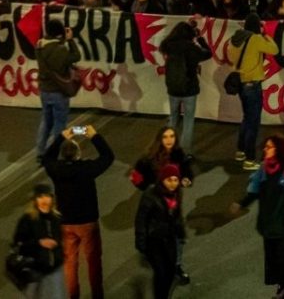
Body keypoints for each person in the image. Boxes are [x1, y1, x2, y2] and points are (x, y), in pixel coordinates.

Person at [40, 125, 114, 299]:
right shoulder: (87, 169)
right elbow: (108, 157)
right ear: (78, 154)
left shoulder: (56, 169)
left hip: (66, 223)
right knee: (93, 262)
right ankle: (97, 295)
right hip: (88, 222)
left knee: (70, 264)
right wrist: (95, 136)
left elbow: (46, 158)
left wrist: (60, 137)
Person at [230, 134, 284, 299]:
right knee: (271, 258)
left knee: (283, 255)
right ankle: (281, 285)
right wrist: (242, 204)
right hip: (267, 223)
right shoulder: (263, 169)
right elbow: (254, 190)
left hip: (283, 223)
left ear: (279, 149)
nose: (265, 149)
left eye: (269, 147)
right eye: (266, 147)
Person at [130, 127, 195, 285]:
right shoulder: (149, 158)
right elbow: (136, 177)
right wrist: (149, 188)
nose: (169, 140)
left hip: (174, 202)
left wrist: (186, 179)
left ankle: (176, 266)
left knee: (178, 234)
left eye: (172, 136)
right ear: (159, 139)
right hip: (155, 203)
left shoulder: (179, 155)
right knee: (158, 233)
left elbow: (187, 172)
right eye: (165, 137)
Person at [228, 12, 279, 171]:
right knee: (253, 123)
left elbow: (231, 57)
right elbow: (274, 49)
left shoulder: (234, 39)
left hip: (241, 84)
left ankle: (240, 151)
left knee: (246, 118)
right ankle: (250, 159)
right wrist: (264, 34)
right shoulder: (255, 39)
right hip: (253, 84)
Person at [135, 163, 185, 299]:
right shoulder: (151, 194)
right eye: (169, 180)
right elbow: (141, 218)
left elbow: (177, 215)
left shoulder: (176, 194)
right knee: (161, 272)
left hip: (169, 238)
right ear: (162, 180)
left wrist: (181, 232)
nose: (173, 184)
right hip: (154, 240)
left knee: (170, 271)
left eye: (175, 180)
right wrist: (141, 242)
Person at [162, 19, 211, 155]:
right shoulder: (191, 48)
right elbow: (208, 53)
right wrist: (200, 39)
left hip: (173, 88)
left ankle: (168, 148)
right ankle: (185, 152)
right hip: (189, 89)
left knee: (173, 117)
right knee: (188, 120)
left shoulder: (168, 46)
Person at [35, 18, 81, 157]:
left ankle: (40, 151)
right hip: (58, 92)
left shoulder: (39, 46)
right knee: (60, 124)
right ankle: (55, 152)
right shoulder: (61, 49)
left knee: (46, 121)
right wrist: (70, 40)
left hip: (44, 90)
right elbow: (76, 56)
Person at [13, 184, 66, 299]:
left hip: (54, 267)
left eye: (47, 196)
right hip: (34, 269)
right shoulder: (27, 220)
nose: (44, 200)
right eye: (40, 197)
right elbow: (19, 245)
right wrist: (39, 243)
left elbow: (62, 237)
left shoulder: (57, 218)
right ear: (35, 200)